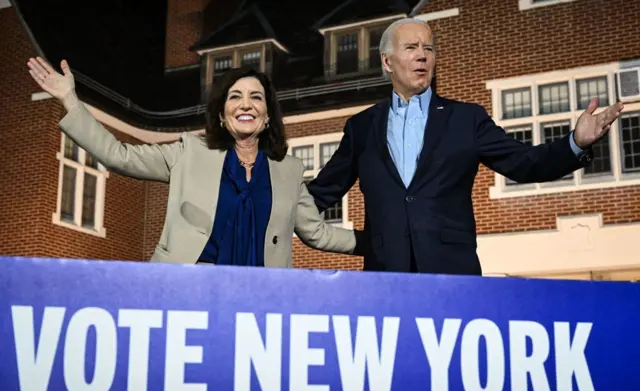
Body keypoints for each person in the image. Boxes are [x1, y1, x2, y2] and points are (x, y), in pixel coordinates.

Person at [306, 18, 624, 276]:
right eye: (412, 47)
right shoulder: (362, 127)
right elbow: (320, 193)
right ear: (388, 61)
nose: (423, 55)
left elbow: (526, 162)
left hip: (453, 276)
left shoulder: (466, 119)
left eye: (429, 48)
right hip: (386, 278)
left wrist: (575, 142)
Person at [27, 57, 360, 267]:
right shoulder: (188, 152)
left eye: (256, 97)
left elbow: (317, 233)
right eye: (235, 97)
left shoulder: (288, 170)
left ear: (268, 117)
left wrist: (378, 242)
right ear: (221, 113)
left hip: (262, 297)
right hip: (189, 290)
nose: (246, 104)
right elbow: (119, 156)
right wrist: (70, 99)